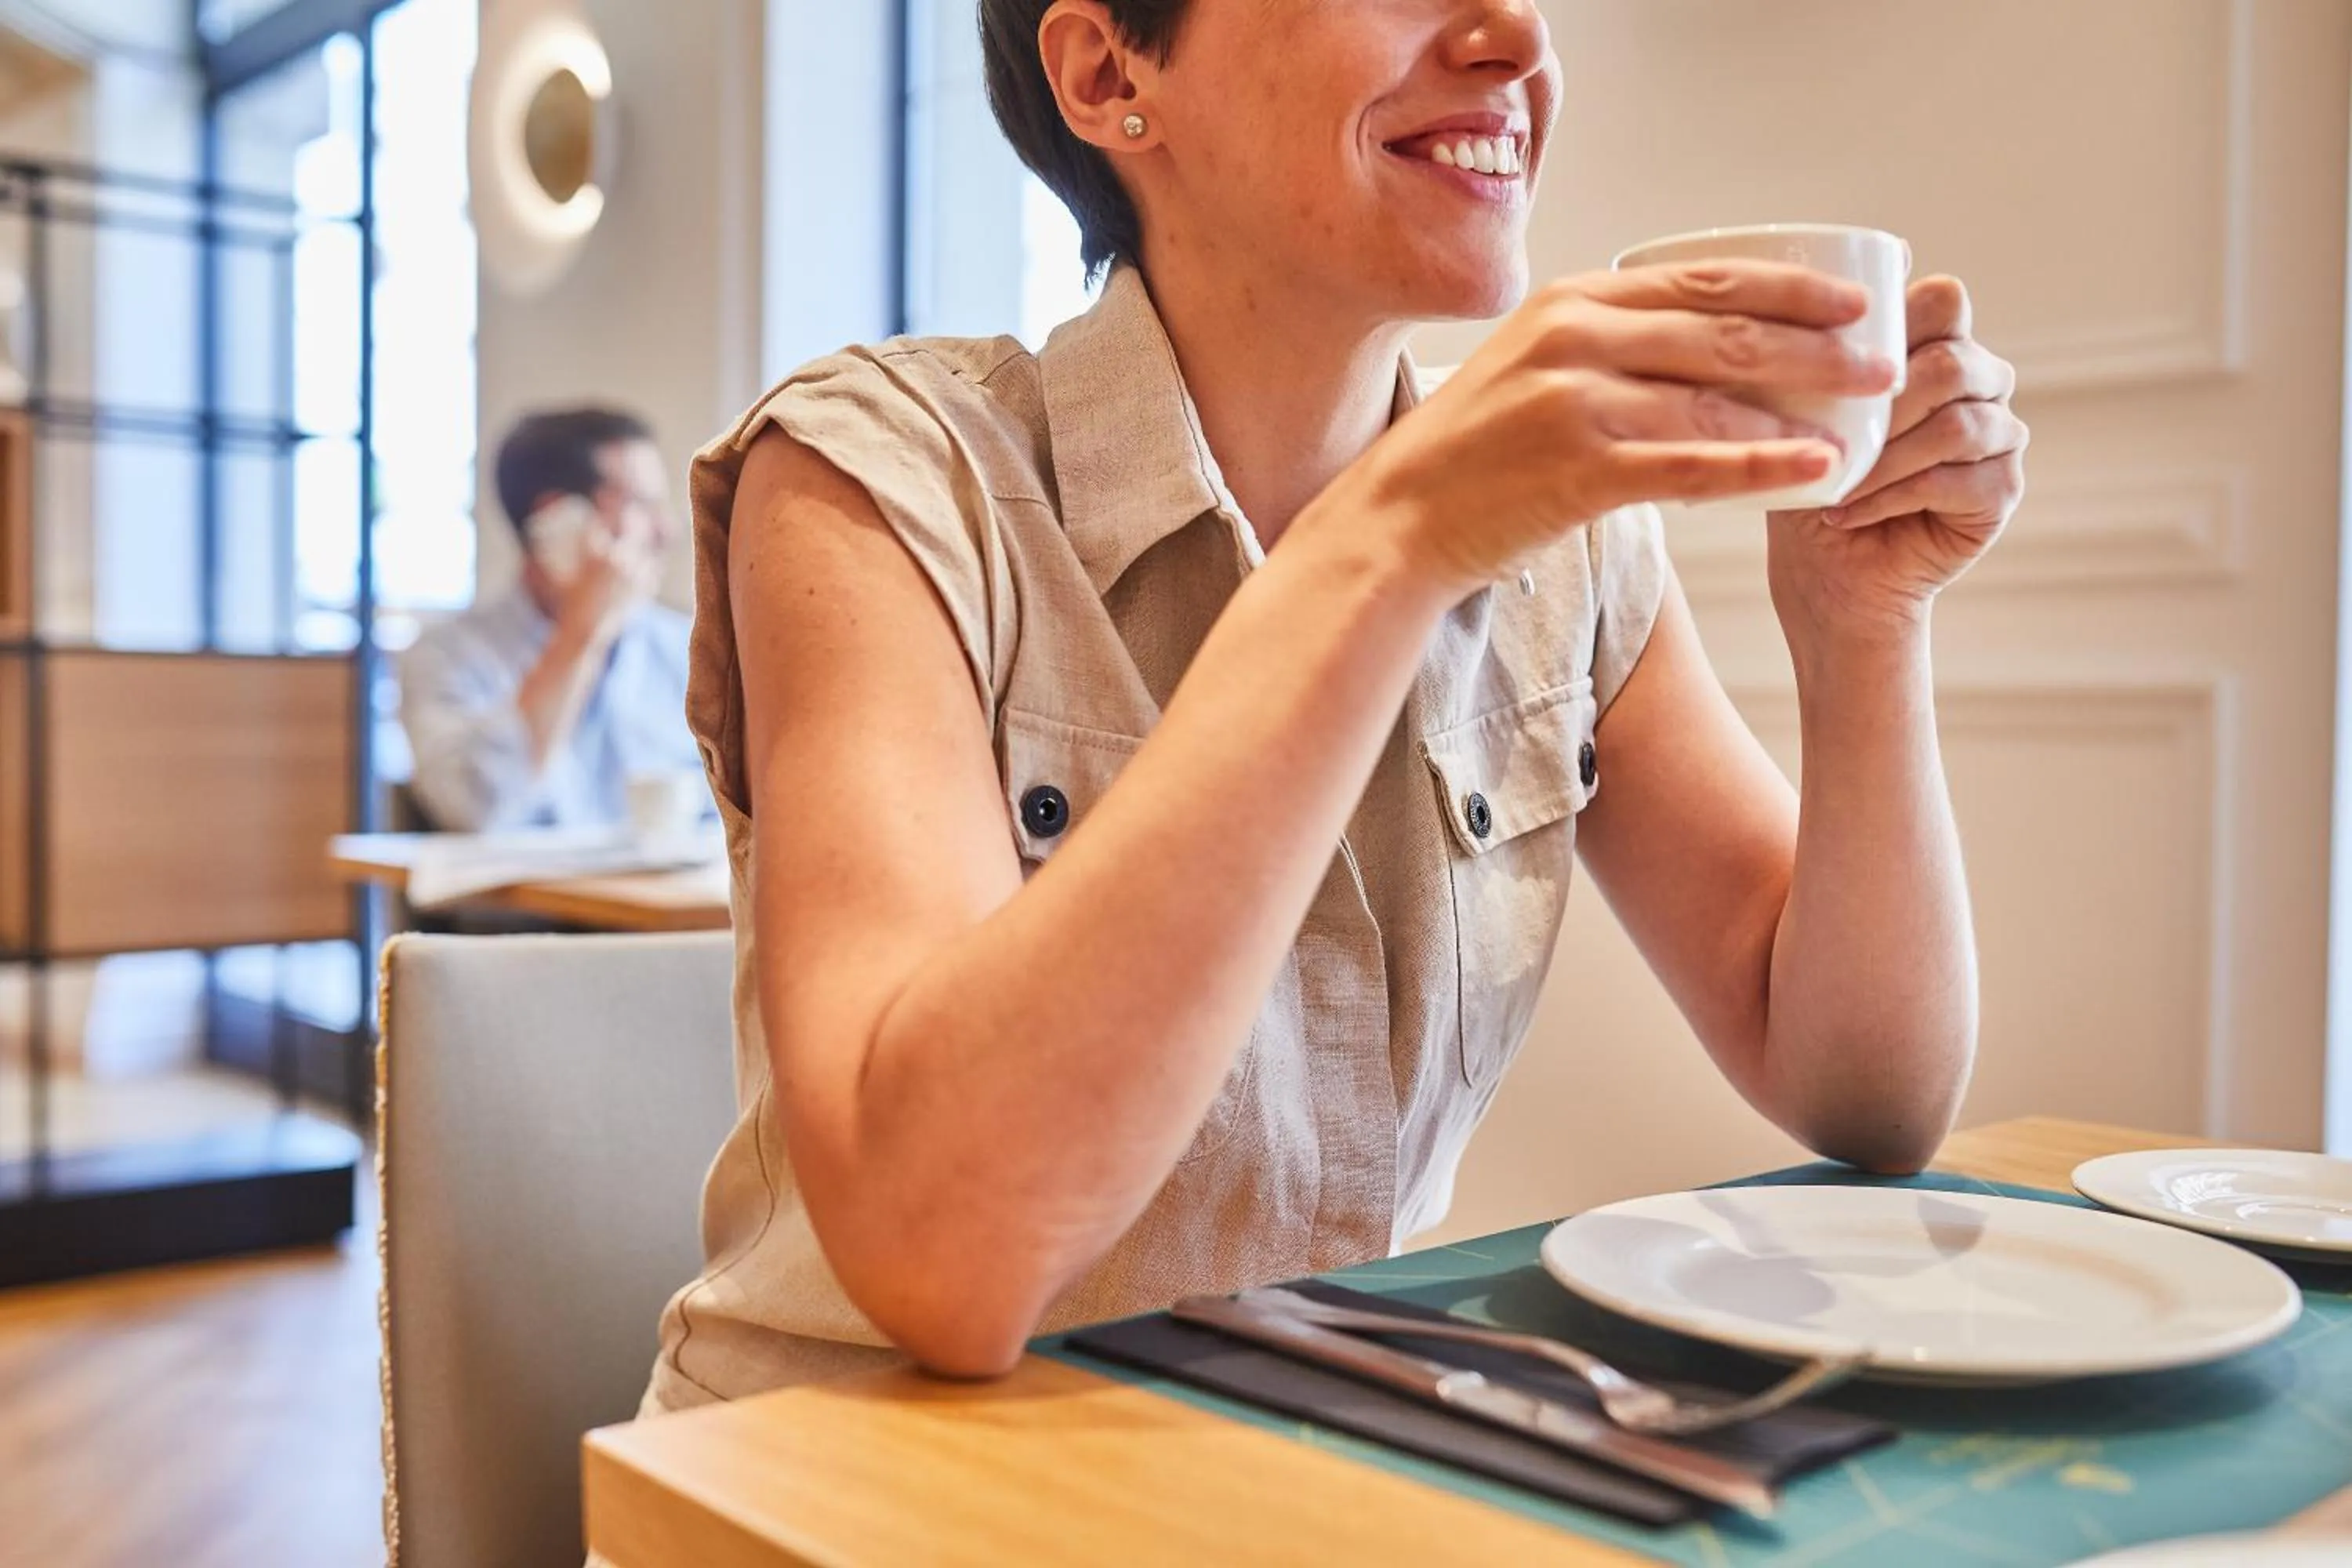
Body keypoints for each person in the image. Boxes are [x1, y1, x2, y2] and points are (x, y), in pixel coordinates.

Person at [639, 0, 2029, 1414]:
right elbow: (945, 1259)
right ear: (1111, 71)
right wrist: (1392, 541)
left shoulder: (1567, 548)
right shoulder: (873, 478)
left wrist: (1865, 627)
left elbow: (1864, 1092)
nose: (1516, 37)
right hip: (833, 1493)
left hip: (1288, 1464)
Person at [400, 407, 700, 833]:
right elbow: (474, 810)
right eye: (641, 504)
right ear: (558, 520)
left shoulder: (686, 650)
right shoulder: (448, 656)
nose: (666, 530)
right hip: (530, 901)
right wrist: (581, 634)